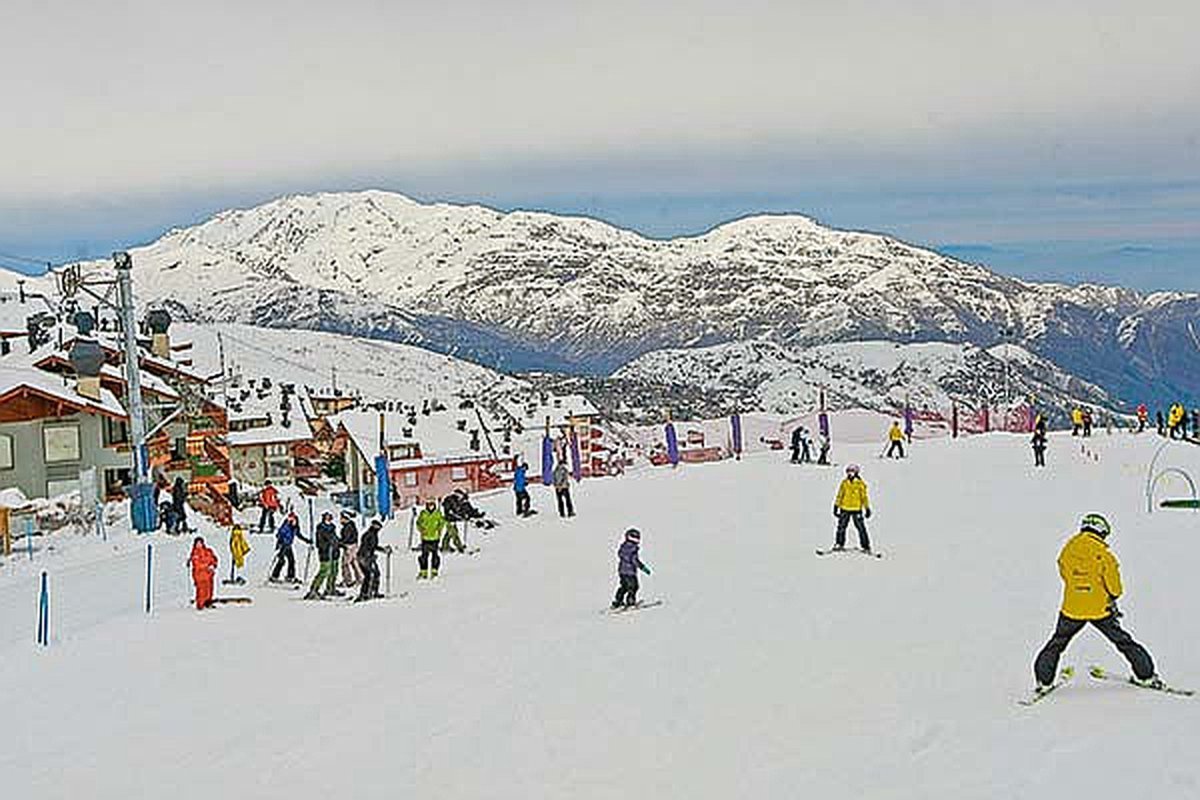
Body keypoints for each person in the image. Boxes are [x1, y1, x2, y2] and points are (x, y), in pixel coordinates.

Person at [1032, 514, 1162, 694]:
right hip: (1100, 610)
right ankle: (1145, 675)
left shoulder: (1067, 550)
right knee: (1123, 642)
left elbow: (1064, 572)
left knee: (1057, 643)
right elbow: (1115, 589)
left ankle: (1044, 680)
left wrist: (1078, 587)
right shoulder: (1104, 555)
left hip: (1072, 609)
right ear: (1101, 531)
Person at [832, 464, 872, 553]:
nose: (850, 474)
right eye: (848, 472)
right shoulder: (844, 483)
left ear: (856, 473)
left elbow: (864, 497)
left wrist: (867, 508)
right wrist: (836, 506)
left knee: (861, 528)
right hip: (844, 508)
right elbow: (840, 495)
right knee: (841, 527)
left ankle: (865, 545)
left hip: (856, 509)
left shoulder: (860, 484)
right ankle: (839, 543)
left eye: (852, 472)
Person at [304, 511, 343, 600]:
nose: (328, 520)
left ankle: (330, 588)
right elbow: (320, 542)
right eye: (327, 518)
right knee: (324, 571)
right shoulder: (321, 528)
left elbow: (335, 538)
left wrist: (339, 543)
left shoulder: (332, 527)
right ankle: (314, 590)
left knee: (334, 570)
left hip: (334, 552)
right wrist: (328, 545)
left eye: (330, 518)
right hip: (325, 553)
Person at [612, 528, 651, 609]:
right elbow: (634, 560)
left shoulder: (624, 547)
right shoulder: (633, 549)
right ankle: (630, 601)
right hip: (630, 572)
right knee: (634, 586)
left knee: (624, 586)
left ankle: (618, 601)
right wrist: (643, 567)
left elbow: (621, 555)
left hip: (622, 571)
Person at [355, 519, 392, 602]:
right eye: (378, 527)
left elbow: (373, 546)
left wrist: (383, 549)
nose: (379, 529)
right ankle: (366, 593)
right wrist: (369, 556)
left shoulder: (372, 534)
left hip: (365, 557)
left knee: (373, 574)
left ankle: (371, 592)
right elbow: (365, 546)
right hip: (364, 557)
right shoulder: (370, 535)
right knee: (370, 575)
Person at [270, 510, 308, 583]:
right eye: (290, 519)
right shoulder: (286, 526)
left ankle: (290, 576)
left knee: (291, 561)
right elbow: (279, 534)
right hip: (283, 545)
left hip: (288, 545)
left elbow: (299, 535)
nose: (292, 521)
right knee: (281, 561)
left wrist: (307, 540)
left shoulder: (295, 527)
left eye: (293, 519)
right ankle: (274, 576)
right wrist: (280, 542)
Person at [416, 499, 446, 579]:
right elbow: (418, 522)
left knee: (435, 555)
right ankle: (423, 571)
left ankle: (434, 571)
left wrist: (439, 530)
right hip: (425, 537)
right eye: (429, 504)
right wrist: (422, 529)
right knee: (424, 555)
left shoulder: (438, 513)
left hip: (435, 537)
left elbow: (442, 522)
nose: (430, 506)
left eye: (432, 504)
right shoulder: (423, 513)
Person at [188, 536, 217, 610]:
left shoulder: (208, 551)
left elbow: (213, 559)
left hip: (208, 574)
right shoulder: (195, 554)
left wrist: (213, 564)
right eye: (197, 544)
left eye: (200, 543)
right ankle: (200, 604)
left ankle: (208, 602)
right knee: (201, 590)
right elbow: (197, 564)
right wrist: (207, 565)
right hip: (199, 575)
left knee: (209, 589)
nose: (199, 545)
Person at [339, 510, 362, 588]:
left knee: (345, 564)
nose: (340, 520)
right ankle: (359, 578)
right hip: (354, 546)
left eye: (341, 518)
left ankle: (347, 580)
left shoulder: (347, 527)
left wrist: (339, 543)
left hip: (348, 547)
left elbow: (346, 539)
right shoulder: (352, 525)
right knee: (354, 563)